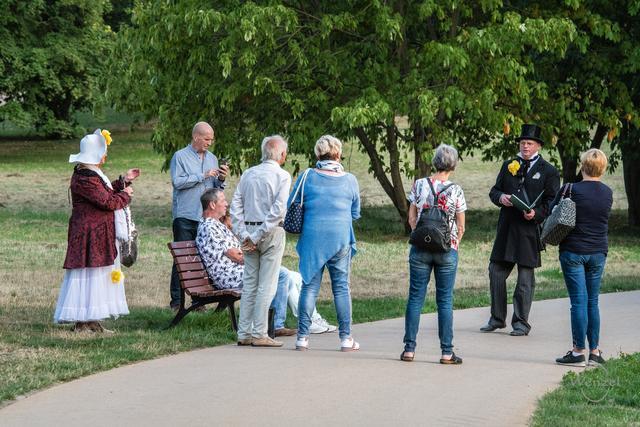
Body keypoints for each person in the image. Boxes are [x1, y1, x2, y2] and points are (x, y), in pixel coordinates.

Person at [195, 189, 335, 338]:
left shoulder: (217, 225)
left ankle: (293, 322)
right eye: (223, 200)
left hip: (237, 271)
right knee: (281, 274)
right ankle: (278, 324)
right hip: (228, 275)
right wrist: (260, 257)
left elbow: (239, 251)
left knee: (286, 275)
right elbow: (235, 255)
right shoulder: (209, 227)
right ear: (212, 204)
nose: (226, 204)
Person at [54, 129, 140, 333]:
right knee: (88, 274)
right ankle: (82, 321)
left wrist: (123, 181)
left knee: (98, 274)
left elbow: (107, 190)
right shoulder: (85, 177)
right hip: (88, 233)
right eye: (103, 151)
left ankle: (92, 319)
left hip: (97, 232)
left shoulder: (92, 173)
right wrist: (126, 195)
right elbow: (107, 201)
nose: (105, 155)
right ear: (96, 155)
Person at [481, 124, 560, 336]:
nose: (525, 146)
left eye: (529, 143)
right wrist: (501, 198)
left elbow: (553, 201)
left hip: (528, 231)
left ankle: (521, 323)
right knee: (495, 272)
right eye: (523, 142)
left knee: (525, 280)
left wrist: (537, 214)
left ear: (538, 146)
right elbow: (494, 191)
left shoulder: (549, 171)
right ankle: (497, 319)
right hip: (506, 229)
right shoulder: (509, 165)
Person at [292, 135, 361, 352]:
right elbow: (355, 213)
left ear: (317, 154)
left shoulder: (307, 176)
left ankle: (302, 337)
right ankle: (345, 339)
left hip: (312, 239)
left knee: (309, 287)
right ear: (338, 154)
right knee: (341, 288)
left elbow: (292, 203)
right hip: (340, 238)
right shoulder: (350, 180)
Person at [401, 144, 467, 364]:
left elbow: (411, 217)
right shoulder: (456, 189)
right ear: (453, 165)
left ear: (434, 162)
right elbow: (461, 224)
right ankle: (447, 352)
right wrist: (454, 243)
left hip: (420, 248)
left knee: (416, 297)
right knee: (445, 300)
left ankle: (409, 349)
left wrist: (419, 235)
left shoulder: (419, 185)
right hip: (446, 250)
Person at [230, 135, 291, 347]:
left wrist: (243, 233)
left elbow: (236, 204)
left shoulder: (248, 173)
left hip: (249, 230)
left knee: (249, 284)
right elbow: (278, 210)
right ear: (282, 155)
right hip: (270, 232)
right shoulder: (282, 176)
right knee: (267, 284)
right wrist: (254, 236)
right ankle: (259, 332)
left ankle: (244, 332)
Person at [554, 149, 613, 367]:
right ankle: (595, 352)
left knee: (578, 301)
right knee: (592, 301)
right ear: (603, 168)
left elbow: (554, 213)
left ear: (582, 166)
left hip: (573, 251)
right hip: (598, 252)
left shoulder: (570, 189)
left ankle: (578, 351)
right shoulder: (608, 192)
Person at [168, 121, 229, 311]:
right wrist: (201, 175)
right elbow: (177, 182)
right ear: (196, 137)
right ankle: (177, 301)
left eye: (211, 139)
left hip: (206, 218)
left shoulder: (212, 158)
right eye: (207, 139)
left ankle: (198, 301)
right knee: (183, 258)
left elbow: (213, 190)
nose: (210, 142)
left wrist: (220, 179)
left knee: (203, 257)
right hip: (185, 215)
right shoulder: (180, 156)